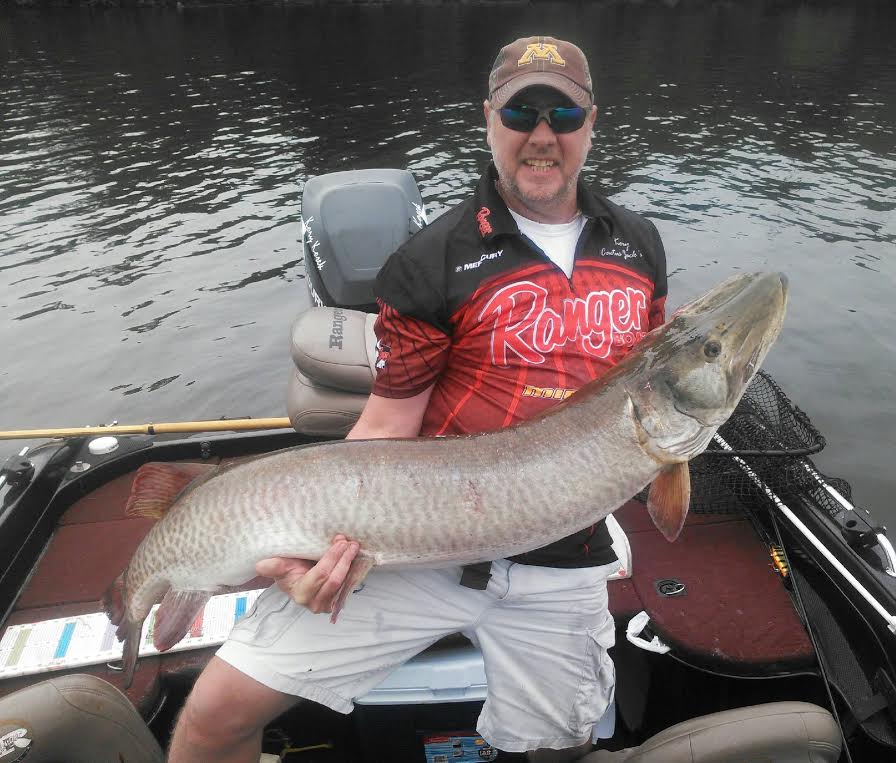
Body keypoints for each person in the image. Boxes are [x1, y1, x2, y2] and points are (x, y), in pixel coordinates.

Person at [167, 35, 668, 763]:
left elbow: (644, 387)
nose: (540, 135)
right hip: (421, 549)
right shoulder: (429, 261)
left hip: (566, 554)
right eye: (519, 112)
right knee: (215, 718)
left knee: (561, 745)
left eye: (562, 112)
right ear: (488, 119)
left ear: (591, 121)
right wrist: (318, 547)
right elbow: (388, 421)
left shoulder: (639, 246)